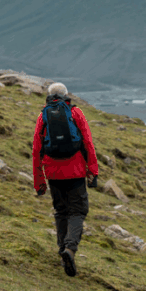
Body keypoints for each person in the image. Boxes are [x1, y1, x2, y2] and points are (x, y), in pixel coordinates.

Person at [32, 82, 99, 277]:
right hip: (76, 171)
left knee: (61, 211)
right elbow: (87, 142)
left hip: (53, 173)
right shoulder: (75, 113)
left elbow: (37, 150)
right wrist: (93, 171)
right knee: (77, 211)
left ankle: (63, 253)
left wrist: (39, 182)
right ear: (66, 95)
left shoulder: (42, 116)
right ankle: (70, 249)